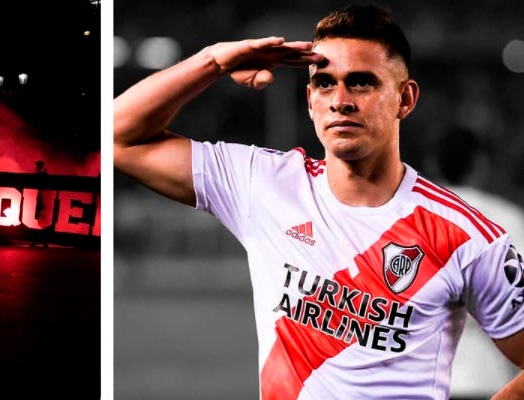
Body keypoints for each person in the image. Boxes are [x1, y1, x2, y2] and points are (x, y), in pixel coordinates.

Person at [114, 5, 524, 399]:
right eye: (325, 82)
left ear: (405, 98)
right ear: (310, 99)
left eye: (362, 82)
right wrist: (212, 62)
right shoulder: (264, 184)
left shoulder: (468, 237)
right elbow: (118, 137)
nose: (340, 99)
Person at [436, 126, 524, 399]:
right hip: (490, 378)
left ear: (432, 164)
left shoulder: (409, 217)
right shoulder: (508, 220)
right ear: (480, 164)